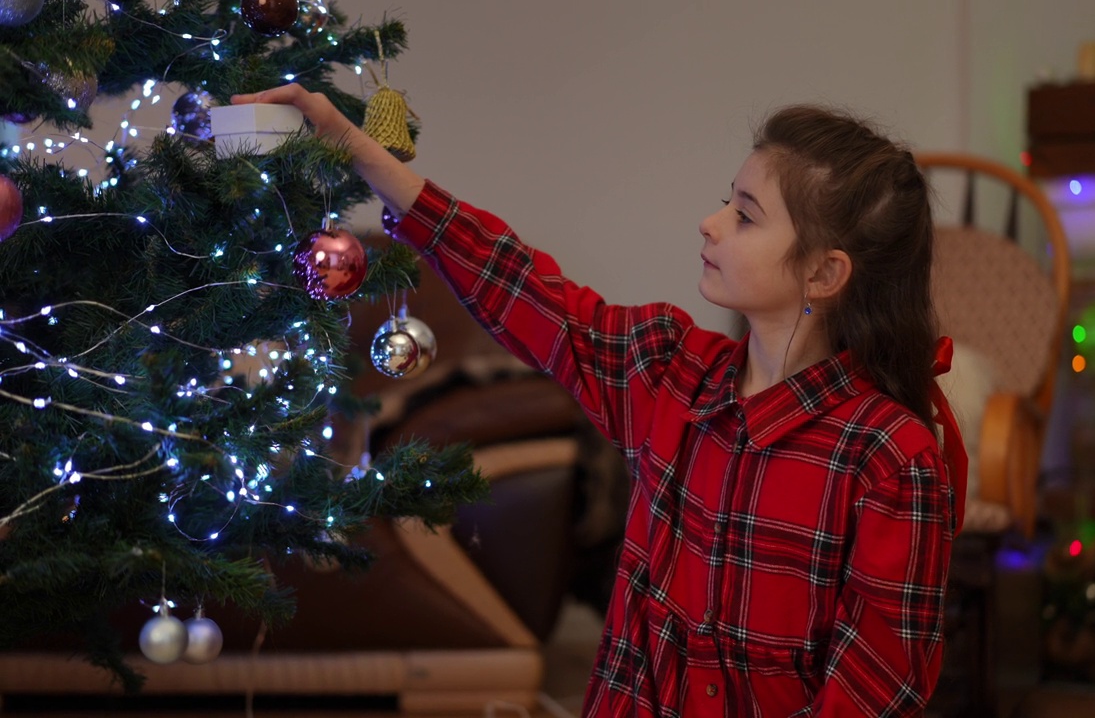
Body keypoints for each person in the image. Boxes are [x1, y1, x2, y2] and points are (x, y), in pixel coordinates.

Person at [232, 86, 967, 717]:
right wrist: (357, 147)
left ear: (825, 273)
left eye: (746, 216)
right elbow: (519, 284)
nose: (712, 223)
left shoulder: (891, 459)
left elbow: (879, 684)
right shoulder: (669, 369)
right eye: (725, 202)